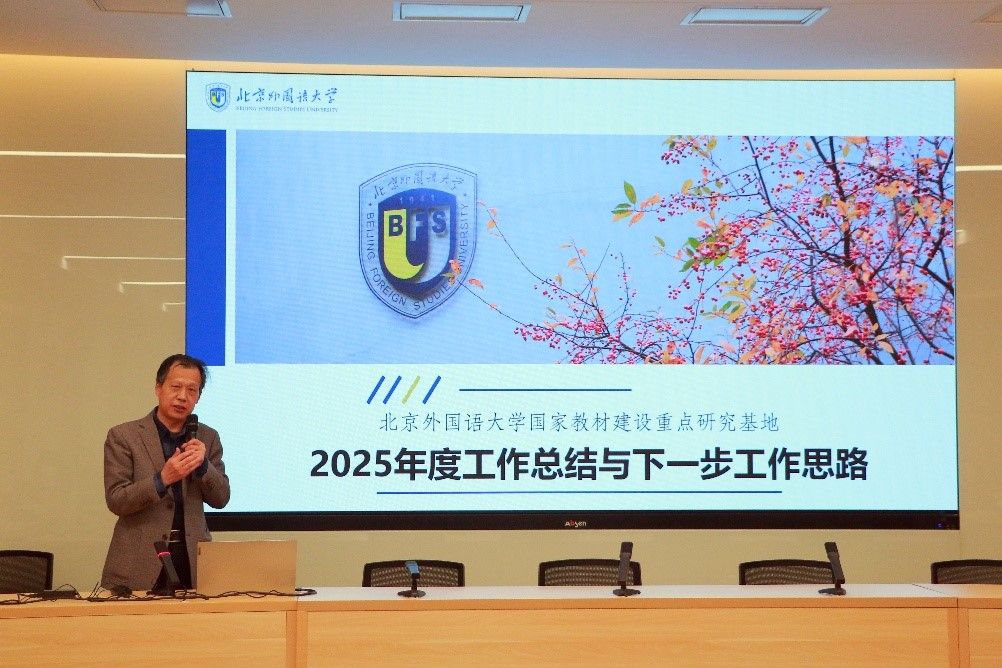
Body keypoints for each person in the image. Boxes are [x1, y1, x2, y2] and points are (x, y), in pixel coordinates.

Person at [101, 354, 230, 592]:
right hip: (140, 559)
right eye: (176, 387)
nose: (182, 396)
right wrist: (162, 479)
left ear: (198, 397)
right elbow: (116, 500)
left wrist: (204, 466)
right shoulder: (124, 436)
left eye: (191, 390)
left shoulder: (208, 437)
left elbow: (221, 498)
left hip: (191, 559)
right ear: (158, 388)